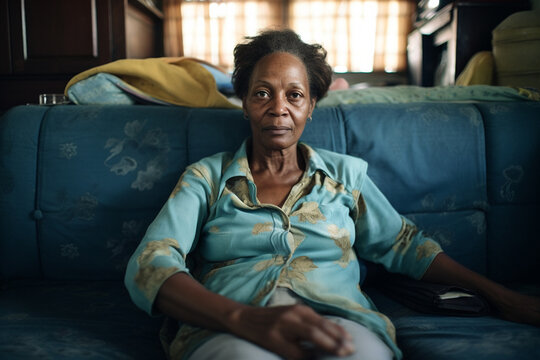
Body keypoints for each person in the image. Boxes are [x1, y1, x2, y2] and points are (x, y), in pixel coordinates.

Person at [125, 29, 540, 360]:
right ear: (246, 104)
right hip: (228, 325)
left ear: (311, 107)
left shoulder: (346, 175)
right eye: (262, 93)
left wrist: (503, 297)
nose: (278, 108)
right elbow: (153, 261)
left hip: (340, 319)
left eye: (295, 95)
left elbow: (405, 245)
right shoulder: (207, 177)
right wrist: (243, 319)